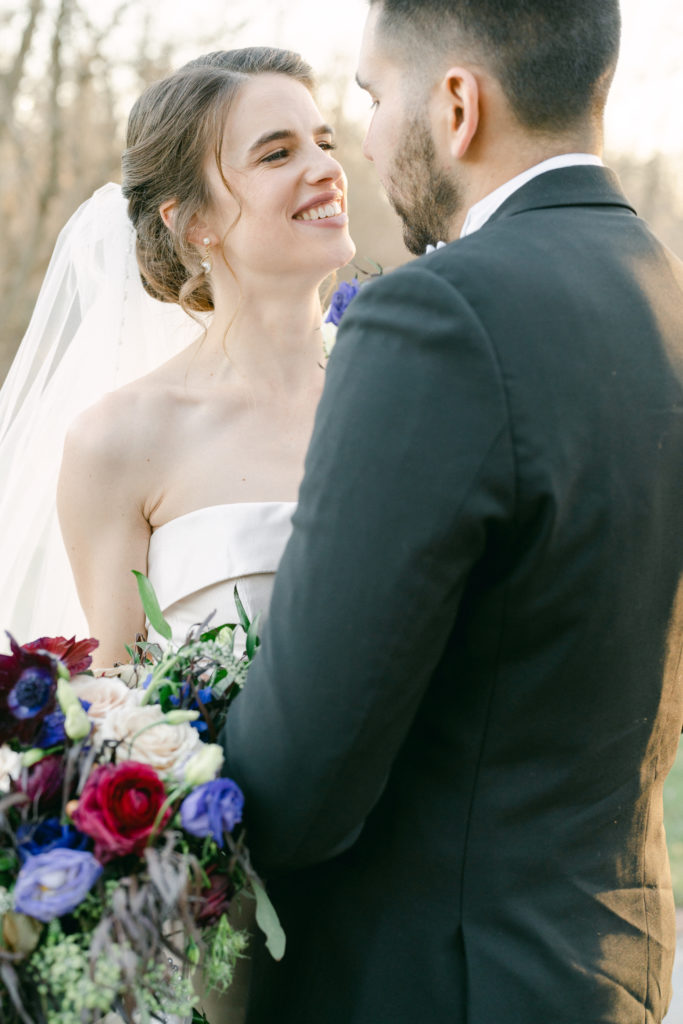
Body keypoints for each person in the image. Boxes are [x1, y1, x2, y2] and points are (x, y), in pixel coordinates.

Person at [220, 3, 683, 1023]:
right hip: (610, 966)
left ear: (457, 105)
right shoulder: (662, 293)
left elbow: (302, 773)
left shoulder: (441, 314)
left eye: (372, 100)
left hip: (431, 978)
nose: (369, 142)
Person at [50, 49, 354, 668]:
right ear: (192, 222)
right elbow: (120, 706)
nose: (325, 168)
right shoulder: (117, 442)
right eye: (278, 153)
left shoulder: (406, 395)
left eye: (325, 143)